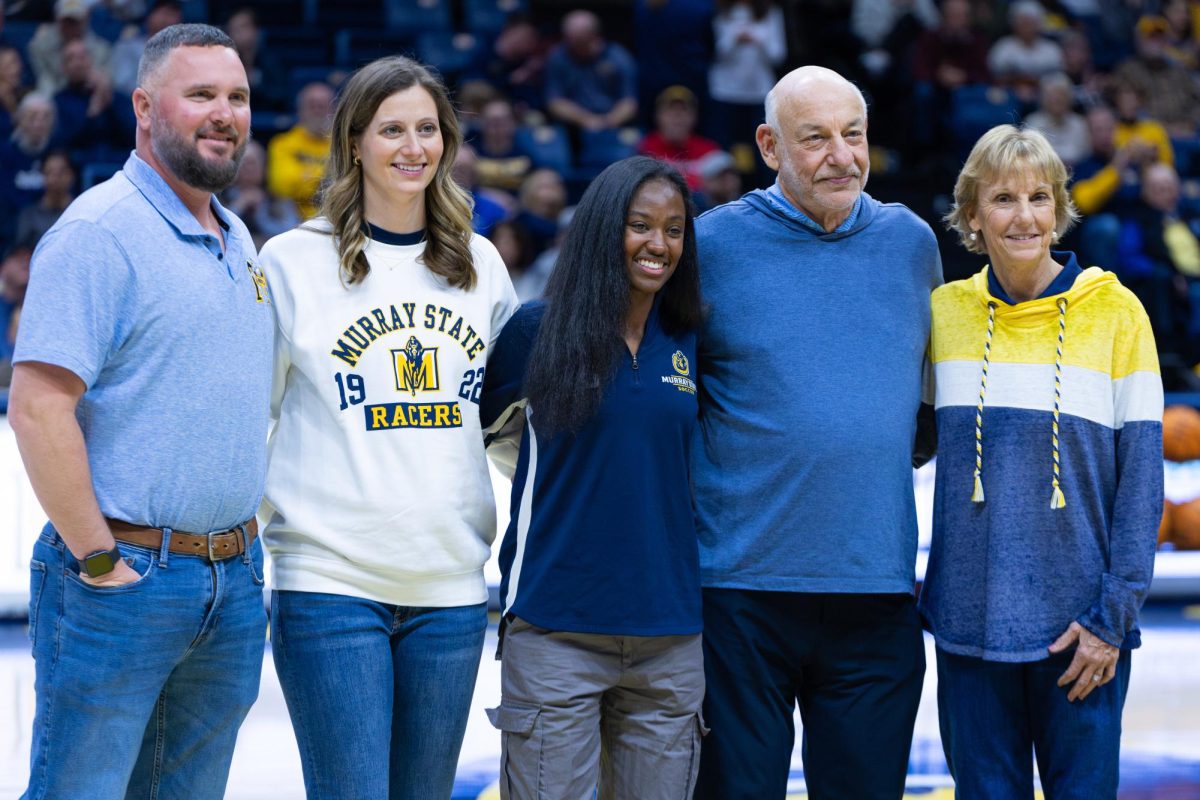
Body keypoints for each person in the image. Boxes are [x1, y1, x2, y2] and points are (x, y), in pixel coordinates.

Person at [9, 23, 271, 799]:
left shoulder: (237, 235)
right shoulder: (99, 232)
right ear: (145, 107)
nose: (225, 113)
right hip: (124, 575)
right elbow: (38, 408)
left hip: (229, 579)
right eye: (201, 96)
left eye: (238, 97)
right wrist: (98, 560)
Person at [257, 55, 518, 800]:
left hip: (452, 588)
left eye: (428, 129)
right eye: (392, 129)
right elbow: (254, 418)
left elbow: (503, 431)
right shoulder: (292, 262)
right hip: (330, 583)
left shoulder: (480, 264)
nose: (413, 147)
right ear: (355, 141)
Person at [692, 65, 942, 799]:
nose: (842, 155)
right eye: (816, 139)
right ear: (769, 146)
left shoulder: (911, 244)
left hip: (877, 590)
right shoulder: (711, 247)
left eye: (854, 134)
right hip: (738, 594)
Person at [922, 124, 1163, 798]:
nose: (1023, 216)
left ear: (1059, 208)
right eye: (1002, 199)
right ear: (972, 215)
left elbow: (1144, 484)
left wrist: (1111, 620)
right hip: (968, 631)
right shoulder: (945, 315)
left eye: (1038, 197)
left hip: (1081, 638)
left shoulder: (1119, 316)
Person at [481, 155, 705, 799]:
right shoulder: (536, 331)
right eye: (640, 225)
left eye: (672, 229)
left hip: (670, 636)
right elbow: (486, 437)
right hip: (556, 632)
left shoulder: (691, 339)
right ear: (605, 228)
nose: (657, 244)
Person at [266, 81, 334, 219]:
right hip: (293, 222)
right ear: (300, 110)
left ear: (334, 111)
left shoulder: (343, 143)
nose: (317, 111)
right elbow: (282, 185)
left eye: (322, 106)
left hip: (335, 216)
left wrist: (305, 177)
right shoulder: (282, 143)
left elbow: (350, 184)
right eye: (312, 106)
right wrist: (328, 177)